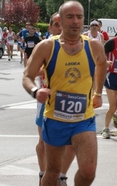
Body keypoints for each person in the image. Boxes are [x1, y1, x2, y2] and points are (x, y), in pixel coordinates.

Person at [22, 0, 107, 186]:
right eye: (70, 17)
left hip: (83, 119)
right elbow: (27, 76)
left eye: (79, 17)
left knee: (88, 172)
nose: (75, 21)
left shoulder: (94, 47)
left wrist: (98, 93)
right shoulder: (46, 46)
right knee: (53, 173)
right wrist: (35, 91)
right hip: (55, 120)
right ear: (60, 20)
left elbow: (102, 64)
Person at [35, 12, 76, 186]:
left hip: (71, 100)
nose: (61, 28)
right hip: (47, 101)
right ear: (50, 28)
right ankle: (43, 174)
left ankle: (62, 175)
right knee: (44, 143)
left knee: (73, 143)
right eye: (57, 25)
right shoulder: (44, 47)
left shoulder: (77, 46)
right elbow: (28, 72)